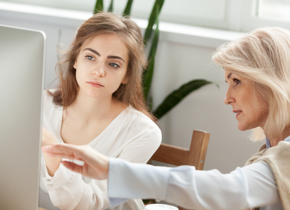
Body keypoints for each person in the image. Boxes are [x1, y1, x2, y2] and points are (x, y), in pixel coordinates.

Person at [42, 27, 290, 210]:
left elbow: (232, 191)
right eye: (90, 57)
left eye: (236, 81)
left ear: (270, 83)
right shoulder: (271, 149)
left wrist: (112, 169)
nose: (227, 98)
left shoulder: (285, 154)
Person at [40, 12, 162, 210]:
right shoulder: (40, 104)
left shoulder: (143, 133)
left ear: (127, 74)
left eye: (113, 64)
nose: (99, 71)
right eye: (90, 57)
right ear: (75, 60)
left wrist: (52, 148)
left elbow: (93, 204)